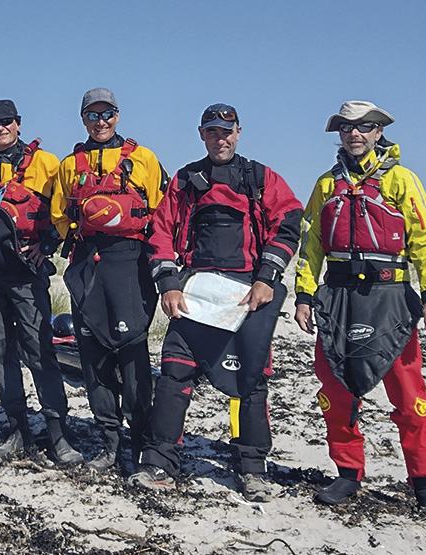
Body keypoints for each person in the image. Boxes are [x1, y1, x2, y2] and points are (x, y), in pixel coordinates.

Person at [129, 104, 303, 501]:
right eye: (211, 131)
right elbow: (160, 233)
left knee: (251, 383)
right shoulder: (186, 180)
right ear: (201, 134)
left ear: (238, 132)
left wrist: (266, 279)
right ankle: (160, 463)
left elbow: (289, 221)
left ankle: (252, 468)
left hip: (247, 295)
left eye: (226, 131)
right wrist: (168, 285)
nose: (219, 138)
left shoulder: (259, 178)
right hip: (194, 294)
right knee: (173, 376)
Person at [293, 101, 426, 519]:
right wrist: (304, 296)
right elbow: (310, 248)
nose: (354, 134)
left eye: (363, 128)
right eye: (346, 128)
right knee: (335, 389)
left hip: (390, 298)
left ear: (379, 132)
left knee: (409, 395)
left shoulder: (402, 180)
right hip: (338, 298)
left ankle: (424, 483)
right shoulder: (327, 185)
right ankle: (347, 472)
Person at [51, 88, 167, 473]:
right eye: (92, 116)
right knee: (93, 359)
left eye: (107, 114)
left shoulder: (145, 158)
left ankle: (143, 444)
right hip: (88, 263)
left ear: (118, 115)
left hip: (130, 262)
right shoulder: (70, 165)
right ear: (83, 119)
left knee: (133, 355)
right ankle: (109, 444)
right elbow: (58, 215)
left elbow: (163, 212)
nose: (100, 122)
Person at [0, 99, 82, 465]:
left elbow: (63, 213)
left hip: (27, 276)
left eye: (6, 121)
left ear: (18, 123)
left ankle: (58, 431)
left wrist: (45, 248)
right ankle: (17, 427)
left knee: (40, 351)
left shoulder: (47, 163)